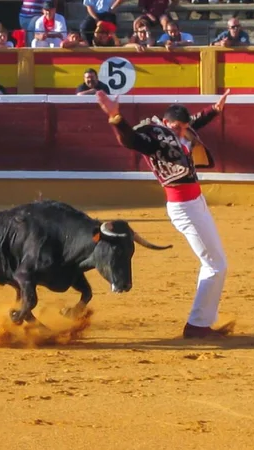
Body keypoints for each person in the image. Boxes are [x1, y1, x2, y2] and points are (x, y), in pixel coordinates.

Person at [95, 89, 232, 339]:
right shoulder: (155, 136)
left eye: (184, 127)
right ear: (166, 123)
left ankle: (203, 322)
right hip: (184, 207)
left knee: (217, 263)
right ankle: (197, 326)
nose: (182, 132)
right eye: (177, 127)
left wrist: (214, 110)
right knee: (215, 264)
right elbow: (131, 141)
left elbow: (194, 123)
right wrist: (116, 118)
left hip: (196, 202)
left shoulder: (182, 131)